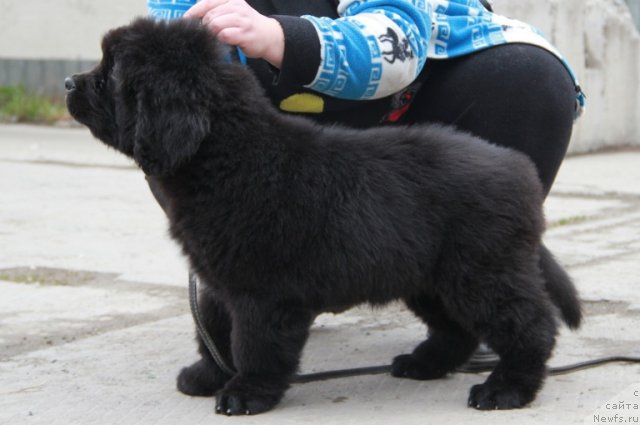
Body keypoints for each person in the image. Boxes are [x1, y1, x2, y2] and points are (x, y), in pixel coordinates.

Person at [148, 0, 585, 197]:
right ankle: (263, 280)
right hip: (287, 146)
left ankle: (480, 281)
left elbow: (394, 47)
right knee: (160, 97)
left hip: (417, 104)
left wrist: (278, 37)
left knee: (527, 77)